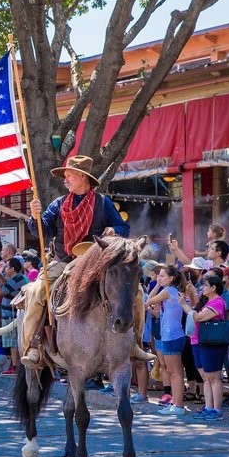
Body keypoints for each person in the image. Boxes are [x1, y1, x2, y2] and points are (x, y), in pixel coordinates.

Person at [20, 154, 137, 368]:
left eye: (69, 175)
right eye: (65, 176)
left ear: (82, 177)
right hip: (64, 262)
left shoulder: (103, 203)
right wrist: (34, 217)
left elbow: (124, 227)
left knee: (136, 294)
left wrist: (114, 230)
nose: (65, 180)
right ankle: (33, 346)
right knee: (36, 292)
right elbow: (43, 230)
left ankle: (135, 344)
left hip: (96, 264)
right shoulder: (58, 204)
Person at [180, 272, 229, 421]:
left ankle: (217, 410)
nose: (202, 288)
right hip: (199, 342)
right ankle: (208, 407)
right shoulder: (206, 302)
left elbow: (198, 317)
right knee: (205, 377)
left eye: (205, 285)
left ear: (214, 287)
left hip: (211, 344)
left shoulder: (218, 302)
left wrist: (183, 305)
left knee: (214, 377)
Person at [147, 264, 190, 416]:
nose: (160, 278)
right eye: (159, 276)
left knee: (176, 372)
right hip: (168, 335)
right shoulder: (170, 291)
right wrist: (158, 283)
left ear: (171, 278)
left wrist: (157, 285)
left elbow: (149, 299)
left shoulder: (168, 290)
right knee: (172, 372)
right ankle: (174, 402)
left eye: (163, 276)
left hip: (173, 335)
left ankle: (178, 405)